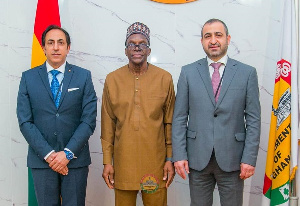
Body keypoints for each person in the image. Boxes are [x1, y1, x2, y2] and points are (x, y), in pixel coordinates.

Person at [172, 19, 261, 206]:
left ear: (228, 38)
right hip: (197, 159)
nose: (213, 40)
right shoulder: (188, 72)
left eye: (218, 35)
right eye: (207, 36)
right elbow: (179, 117)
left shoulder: (247, 73)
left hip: (234, 160)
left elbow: (253, 120)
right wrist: (179, 155)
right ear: (202, 41)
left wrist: (249, 158)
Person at [17, 25, 97, 206]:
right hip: (42, 160)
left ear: (68, 48)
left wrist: (67, 153)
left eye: (61, 43)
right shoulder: (28, 78)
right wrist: (49, 154)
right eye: (50, 43)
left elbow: (88, 120)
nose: (55, 47)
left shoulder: (83, 76)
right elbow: (25, 121)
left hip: (75, 161)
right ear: (43, 48)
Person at [101, 22, 175, 206]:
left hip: (155, 165)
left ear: (149, 50)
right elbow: (107, 123)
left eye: (142, 43)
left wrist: (170, 158)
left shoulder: (164, 78)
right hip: (123, 164)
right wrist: (106, 162)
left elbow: (170, 122)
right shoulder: (113, 79)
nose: (136, 47)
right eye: (131, 44)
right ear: (125, 50)